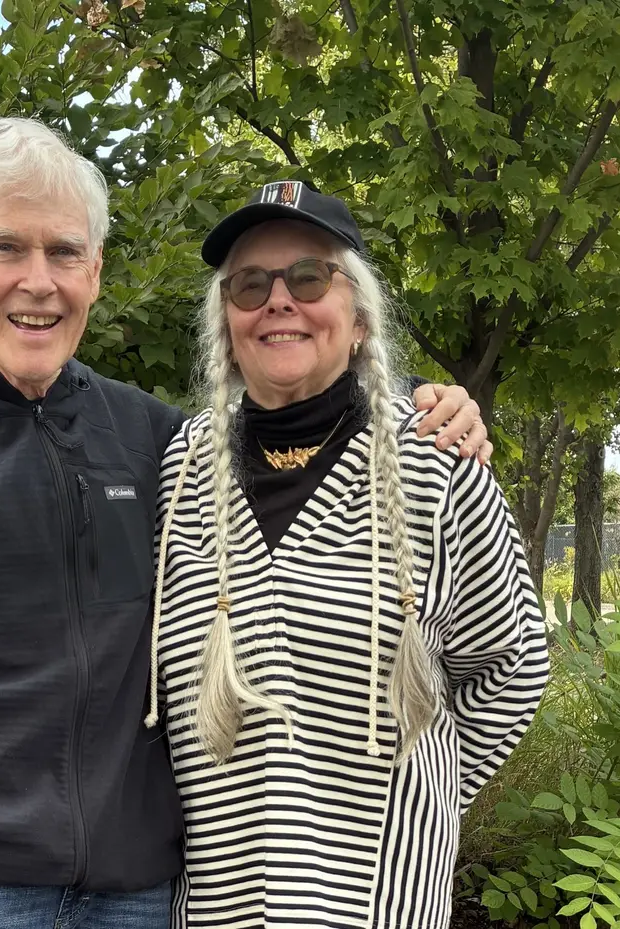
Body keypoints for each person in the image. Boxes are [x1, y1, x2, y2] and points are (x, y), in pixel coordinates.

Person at [0, 119, 491, 929]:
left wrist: (424, 402)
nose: (38, 281)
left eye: (65, 252)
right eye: (7, 247)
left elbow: (296, 410)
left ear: (97, 270)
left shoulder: (156, 441)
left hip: (139, 895)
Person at [147, 180, 550, 929]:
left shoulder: (437, 459)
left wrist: (424, 799)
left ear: (358, 314)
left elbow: (513, 663)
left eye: (308, 277)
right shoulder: (183, 468)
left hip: (374, 902)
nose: (278, 300)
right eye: (248, 284)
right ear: (226, 320)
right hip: (216, 904)